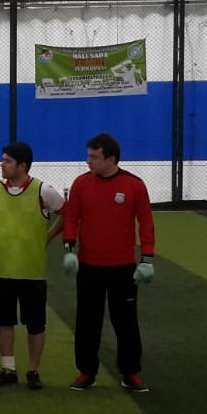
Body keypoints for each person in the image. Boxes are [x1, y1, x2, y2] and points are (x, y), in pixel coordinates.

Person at [62, 132, 155, 392]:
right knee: (87, 322)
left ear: (111, 159)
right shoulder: (81, 184)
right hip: (89, 267)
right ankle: (86, 372)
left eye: (94, 157)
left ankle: (130, 373)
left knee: (126, 323)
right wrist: (69, 248)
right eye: (88, 156)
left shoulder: (134, 185)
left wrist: (147, 259)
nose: (88, 161)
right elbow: (72, 218)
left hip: (123, 269)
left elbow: (146, 222)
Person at [0, 142, 64, 390]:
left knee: (35, 324)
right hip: (1, 269)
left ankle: (33, 371)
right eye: (2, 159)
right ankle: (9, 369)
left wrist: (48, 236)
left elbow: (66, 213)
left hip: (32, 271)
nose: (2, 164)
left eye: (7, 161)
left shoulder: (43, 191)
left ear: (22, 165)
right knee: (3, 321)